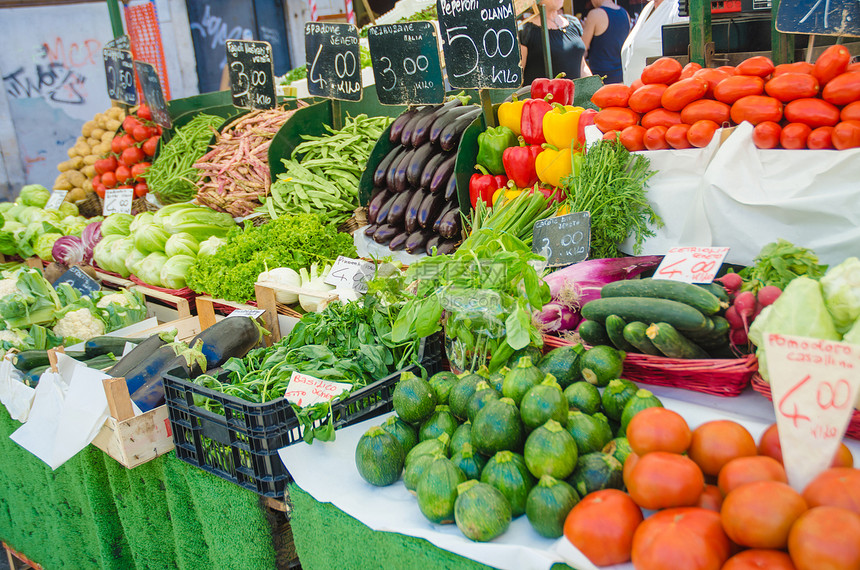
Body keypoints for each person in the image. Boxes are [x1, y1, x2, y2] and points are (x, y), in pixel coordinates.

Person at [519, 0, 591, 86]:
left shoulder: (573, 23)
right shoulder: (525, 31)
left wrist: (593, 88)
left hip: (575, 96)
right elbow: (518, 76)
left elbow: (582, 66)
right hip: (545, 97)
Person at [620, 0, 687, 85]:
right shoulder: (648, 8)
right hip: (637, 93)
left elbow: (682, 63)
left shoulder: (678, 8)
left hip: (657, 94)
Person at [581, 0, 631, 84]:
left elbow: (582, 49)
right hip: (622, 77)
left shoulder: (595, 14)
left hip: (601, 80)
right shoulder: (625, 13)